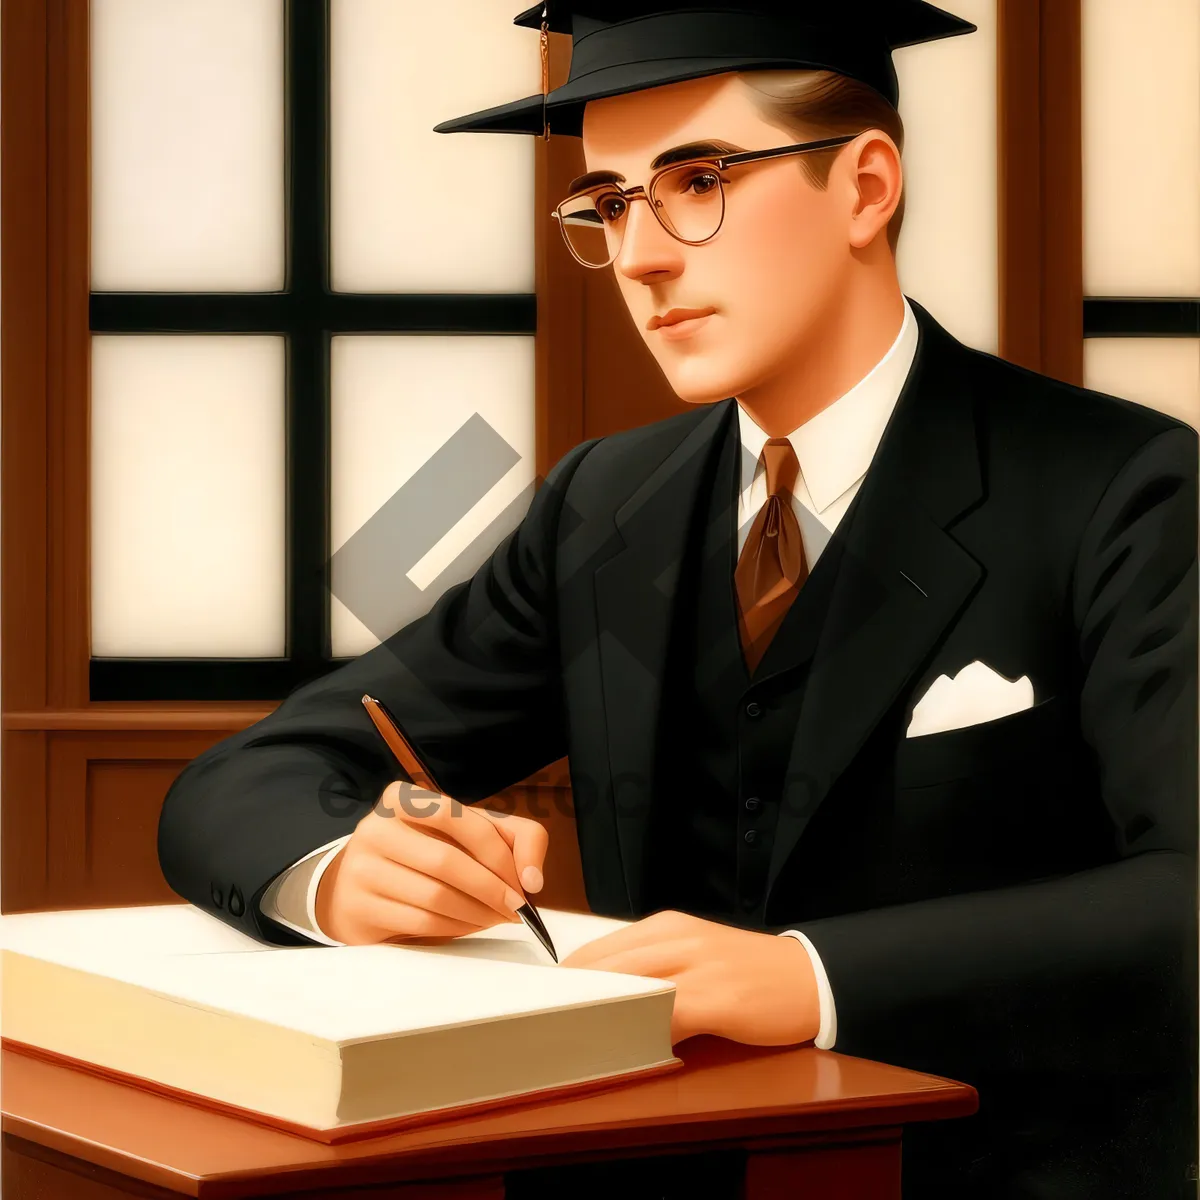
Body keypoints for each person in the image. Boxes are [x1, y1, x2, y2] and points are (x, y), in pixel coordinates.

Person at [157, 3, 1198, 1196]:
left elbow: (1187, 894)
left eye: (696, 180)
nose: (643, 256)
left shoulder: (1123, 487)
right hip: (641, 1164)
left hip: (984, 1168)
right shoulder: (608, 506)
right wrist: (345, 870)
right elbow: (245, 779)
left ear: (866, 187)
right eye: (608, 203)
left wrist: (809, 978)